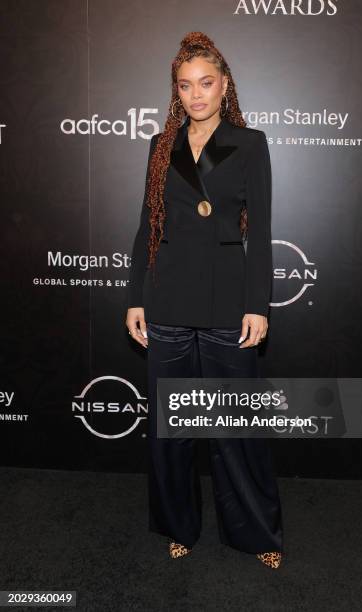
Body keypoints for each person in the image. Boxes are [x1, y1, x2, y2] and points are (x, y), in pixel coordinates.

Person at [125, 31, 283, 569]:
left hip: (226, 302)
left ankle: (255, 531)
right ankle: (178, 525)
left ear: (223, 86)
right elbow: (148, 225)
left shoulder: (249, 143)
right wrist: (134, 296)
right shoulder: (160, 146)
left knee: (234, 427)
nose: (196, 94)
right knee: (172, 429)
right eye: (185, 85)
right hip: (166, 298)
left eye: (205, 83)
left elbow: (259, 233)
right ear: (176, 91)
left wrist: (258, 304)